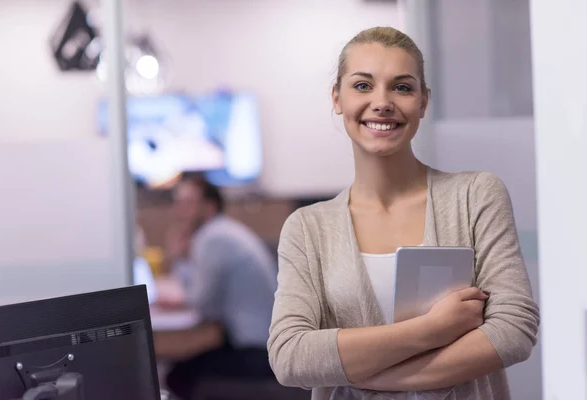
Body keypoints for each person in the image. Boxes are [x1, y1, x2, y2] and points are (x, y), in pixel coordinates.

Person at [267, 27, 539, 400]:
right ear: (337, 97)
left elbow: (514, 329)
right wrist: (431, 330)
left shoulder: (476, 195)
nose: (382, 102)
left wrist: (377, 377)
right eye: (363, 86)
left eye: (402, 87)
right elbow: (290, 357)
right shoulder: (308, 228)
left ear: (423, 102)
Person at [163, 175, 278, 399]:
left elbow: (203, 306)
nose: (179, 212)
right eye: (177, 203)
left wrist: (178, 259)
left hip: (257, 351)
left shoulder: (212, 238)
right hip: (263, 343)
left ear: (209, 207)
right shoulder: (224, 230)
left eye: (188, 204)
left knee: (177, 376)